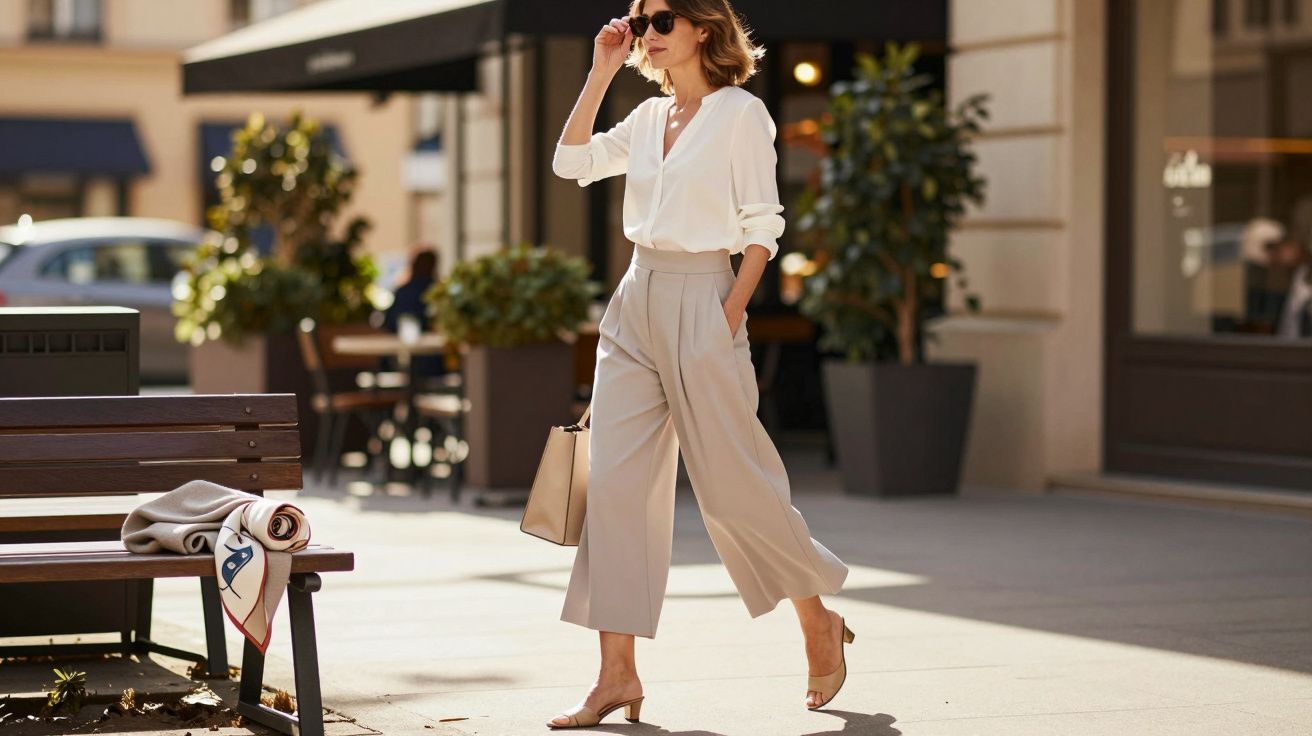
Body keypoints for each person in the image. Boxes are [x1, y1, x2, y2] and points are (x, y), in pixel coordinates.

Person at [546, 1, 851, 728]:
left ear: (703, 28)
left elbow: (763, 228)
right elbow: (571, 162)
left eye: (661, 19)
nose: (646, 29)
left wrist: (729, 314)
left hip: (706, 299)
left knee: (731, 490)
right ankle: (615, 675)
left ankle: (816, 617)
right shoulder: (648, 120)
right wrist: (600, 71)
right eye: (640, 17)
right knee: (615, 489)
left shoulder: (741, 113)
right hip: (634, 302)